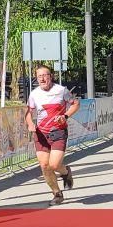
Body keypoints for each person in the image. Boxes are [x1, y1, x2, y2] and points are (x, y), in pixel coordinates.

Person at [26, 64, 80, 205]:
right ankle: (57, 193)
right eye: (39, 76)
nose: (42, 79)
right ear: (36, 78)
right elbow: (28, 112)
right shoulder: (34, 94)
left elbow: (75, 104)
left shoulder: (61, 90)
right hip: (41, 133)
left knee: (54, 165)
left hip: (58, 131)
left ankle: (66, 172)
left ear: (51, 76)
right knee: (45, 166)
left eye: (45, 75)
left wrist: (65, 116)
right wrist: (30, 124)